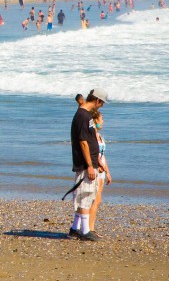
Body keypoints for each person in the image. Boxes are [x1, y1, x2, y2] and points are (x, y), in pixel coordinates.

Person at [68, 88, 107, 241]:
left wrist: (97, 162)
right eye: (102, 103)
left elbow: (89, 140)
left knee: (86, 195)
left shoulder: (85, 115)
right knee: (85, 195)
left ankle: (75, 229)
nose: (101, 106)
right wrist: (90, 165)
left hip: (91, 162)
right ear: (97, 100)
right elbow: (83, 142)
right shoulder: (83, 116)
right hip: (85, 164)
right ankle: (85, 231)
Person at [90, 110, 113, 233]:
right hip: (96, 169)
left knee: (98, 200)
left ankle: (90, 227)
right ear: (95, 120)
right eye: (101, 119)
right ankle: (90, 228)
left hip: (102, 169)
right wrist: (97, 165)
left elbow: (103, 156)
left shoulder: (100, 136)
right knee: (95, 200)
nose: (103, 121)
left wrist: (108, 172)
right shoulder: (92, 136)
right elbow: (92, 154)